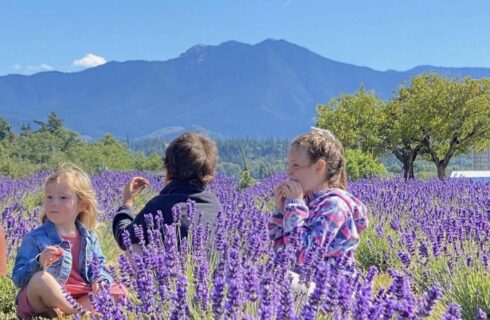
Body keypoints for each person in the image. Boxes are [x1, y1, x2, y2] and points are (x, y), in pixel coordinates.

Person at [12, 164, 125, 318]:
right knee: (40, 279)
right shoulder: (36, 237)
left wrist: (100, 280)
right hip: (43, 297)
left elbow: (98, 267)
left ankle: (66, 311)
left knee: (118, 289)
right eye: (49, 197)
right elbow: (18, 278)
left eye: (63, 198)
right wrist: (38, 261)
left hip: (79, 295)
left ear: (82, 205)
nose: (54, 203)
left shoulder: (89, 238)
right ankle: (80, 313)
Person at [269, 127, 368, 267]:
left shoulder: (334, 207)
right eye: (288, 165)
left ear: (319, 167)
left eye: (296, 165)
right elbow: (279, 250)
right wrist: (281, 212)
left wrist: (295, 208)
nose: (289, 172)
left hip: (330, 286)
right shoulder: (306, 202)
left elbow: (304, 255)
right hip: (301, 282)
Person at [112, 132, 221, 250]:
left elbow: (125, 238)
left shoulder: (159, 206)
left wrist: (127, 203)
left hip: (174, 267)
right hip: (213, 268)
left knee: (134, 247)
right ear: (210, 172)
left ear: (168, 168)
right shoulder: (214, 204)